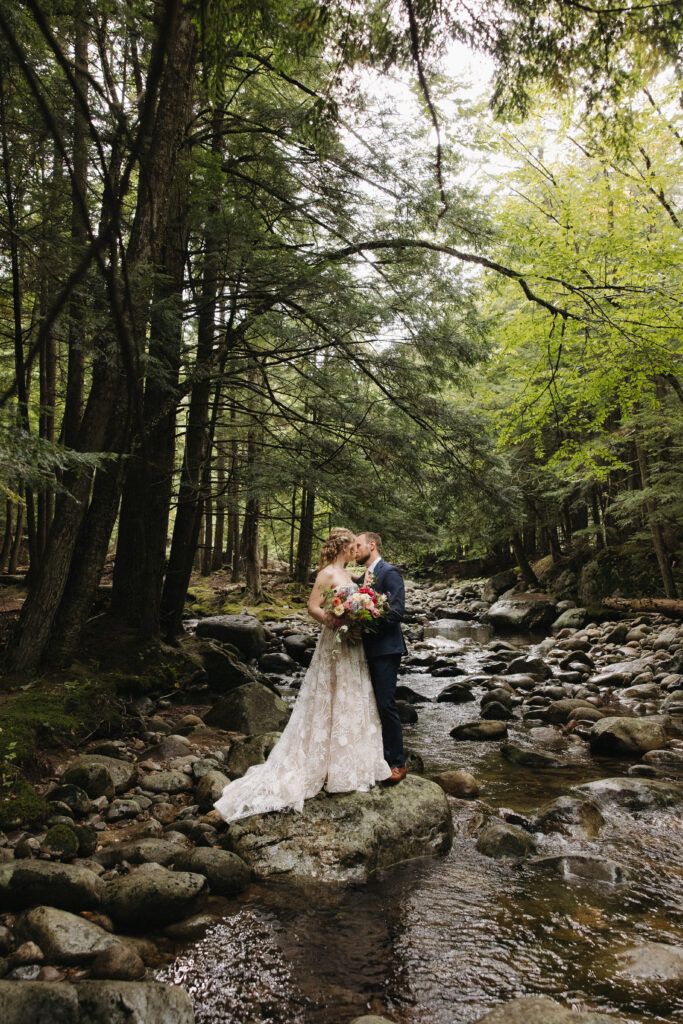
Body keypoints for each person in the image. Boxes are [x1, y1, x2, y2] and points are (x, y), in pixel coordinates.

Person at [213, 528, 392, 824]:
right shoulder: (327, 574)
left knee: (352, 694)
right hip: (334, 641)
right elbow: (312, 607)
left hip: (352, 646)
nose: (355, 551)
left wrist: (359, 619)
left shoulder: (352, 577)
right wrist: (334, 622)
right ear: (343, 547)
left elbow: (359, 606)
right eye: (352, 546)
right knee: (329, 693)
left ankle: (349, 763)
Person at [354, 532, 408, 784]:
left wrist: (369, 618)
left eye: (358, 546)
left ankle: (397, 763)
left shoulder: (390, 572)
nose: (354, 550)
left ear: (372, 545)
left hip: (386, 649)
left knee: (386, 705)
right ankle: (375, 758)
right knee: (367, 705)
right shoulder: (360, 577)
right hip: (362, 649)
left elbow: (396, 612)